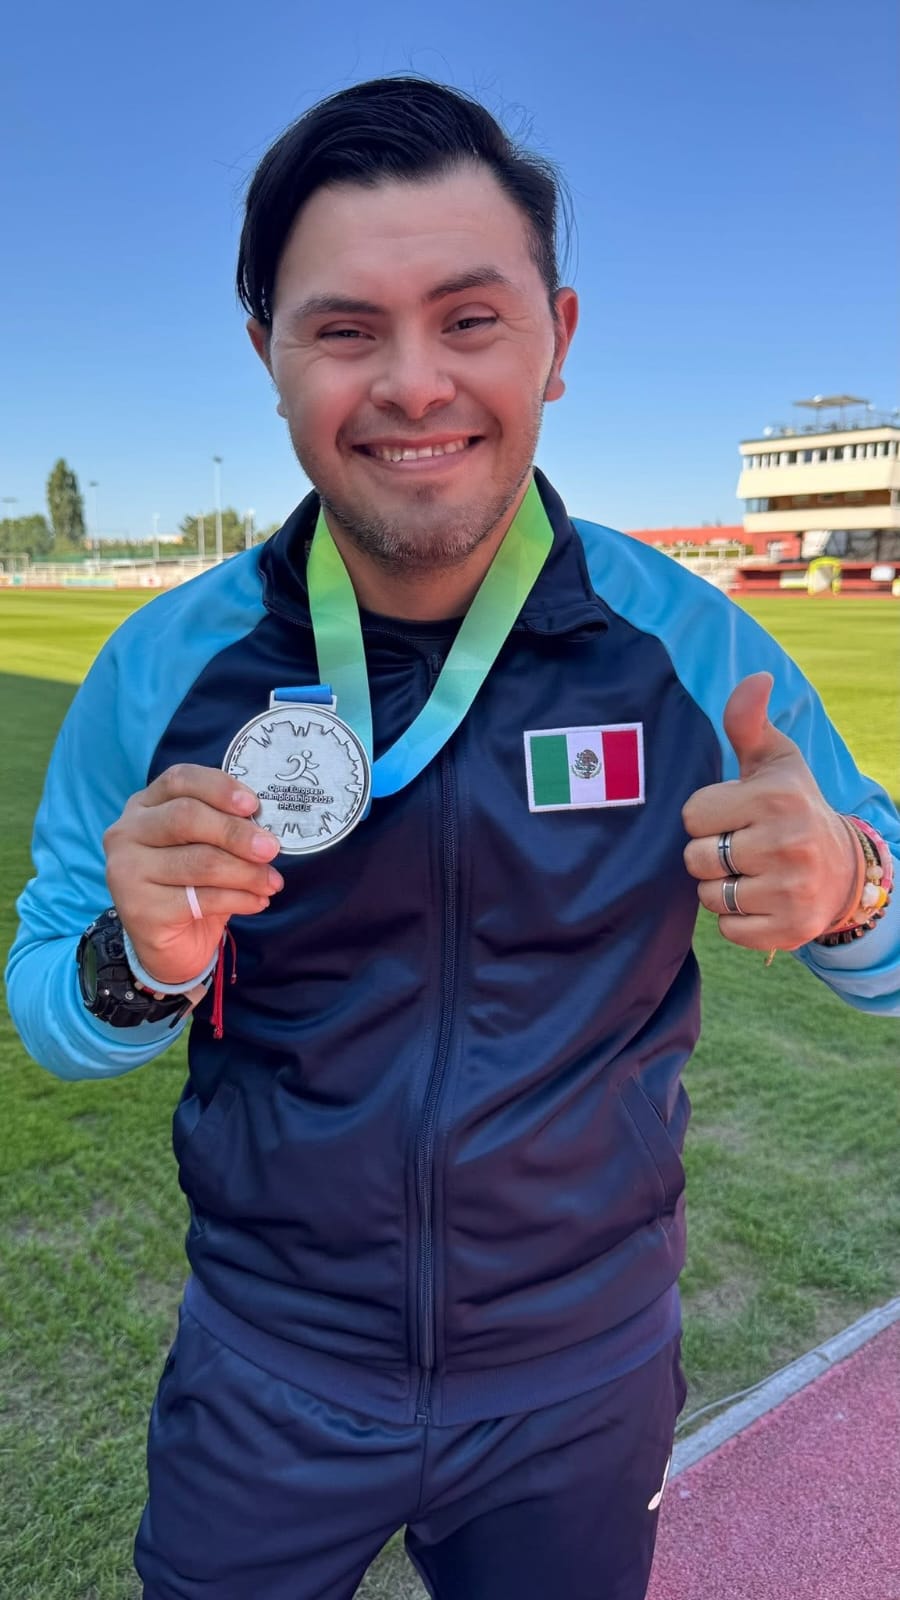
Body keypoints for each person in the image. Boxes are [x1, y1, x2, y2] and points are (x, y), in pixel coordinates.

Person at [6, 76, 899, 1600]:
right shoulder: (162, 672)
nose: (413, 383)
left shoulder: (691, 643)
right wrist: (133, 965)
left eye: (470, 320)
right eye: (345, 329)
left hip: (584, 1382)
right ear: (268, 357)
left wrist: (848, 889)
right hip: (267, 1375)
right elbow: (50, 1008)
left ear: (557, 337)